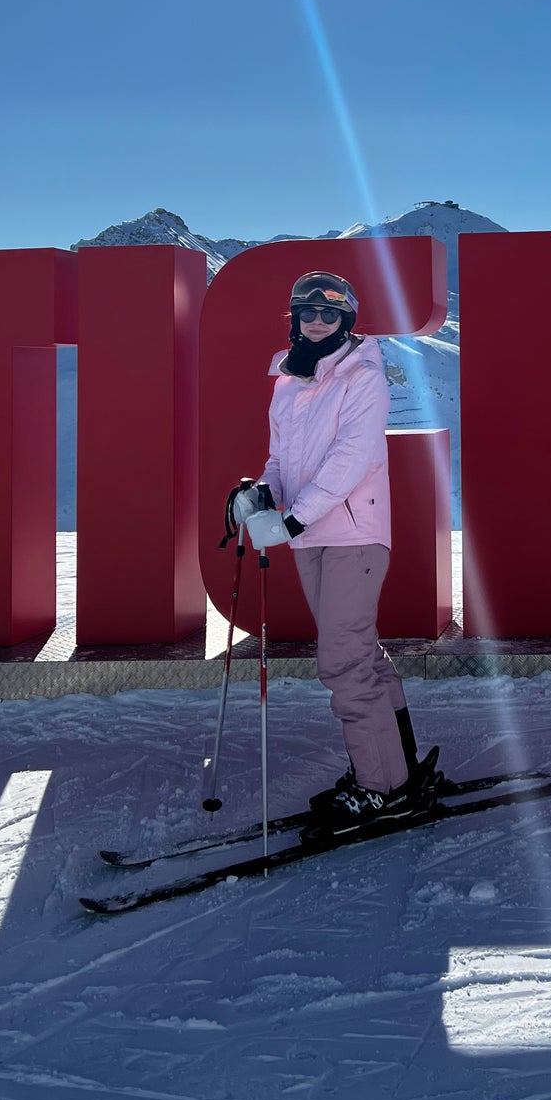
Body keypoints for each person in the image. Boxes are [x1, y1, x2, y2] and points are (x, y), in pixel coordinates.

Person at [239, 270, 437, 835]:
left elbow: (353, 456)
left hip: (353, 532)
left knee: (343, 661)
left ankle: (383, 789)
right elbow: (281, 462)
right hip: (311, 535)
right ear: (296, 319)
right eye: (308, 312)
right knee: (362, 656)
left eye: (331, 313)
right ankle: (398, 769)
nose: (318, 320)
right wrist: (259, 496)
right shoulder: (289, 380)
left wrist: (293, 517)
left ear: (347, 319)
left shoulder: (364, 374)